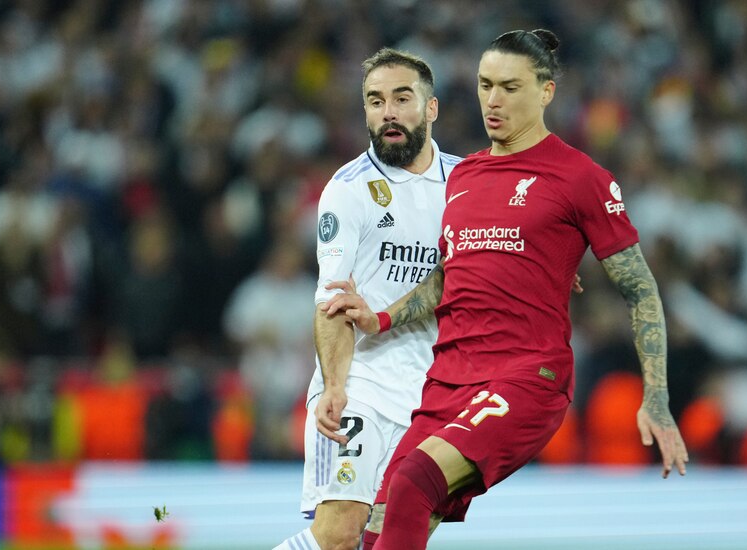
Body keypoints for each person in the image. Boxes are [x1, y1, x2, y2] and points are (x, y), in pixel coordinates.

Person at [324, 30, 690, 550]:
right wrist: (379, 319)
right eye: (484, 85)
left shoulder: (580, 177)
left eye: (510, 87)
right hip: (448, 380)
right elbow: (453, 275)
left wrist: (656, 396)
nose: (492, 101)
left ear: (546, 92)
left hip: (526, 378)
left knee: (412, 483)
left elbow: (641, 290)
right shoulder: (466, 175)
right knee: (379, 528)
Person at [273, 47, 463, 550]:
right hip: (365, 385)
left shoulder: (468, 185)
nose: (389, 113)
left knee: (391, 541)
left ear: (432, 107)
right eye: (376, 101)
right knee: (339, 533)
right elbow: (331, 301)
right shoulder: (348, 190)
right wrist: (334, 386)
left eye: (403, 98)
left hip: (438, 392)